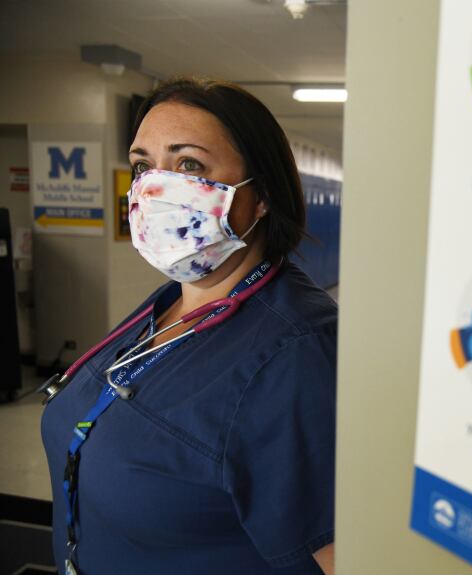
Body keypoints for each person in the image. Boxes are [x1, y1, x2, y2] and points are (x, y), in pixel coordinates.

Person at [41, 77, 337, 574]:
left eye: (189, 164)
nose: (155, 189)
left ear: (260, 194)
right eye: (143, 165)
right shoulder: (168, 304)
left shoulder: (297, 354)